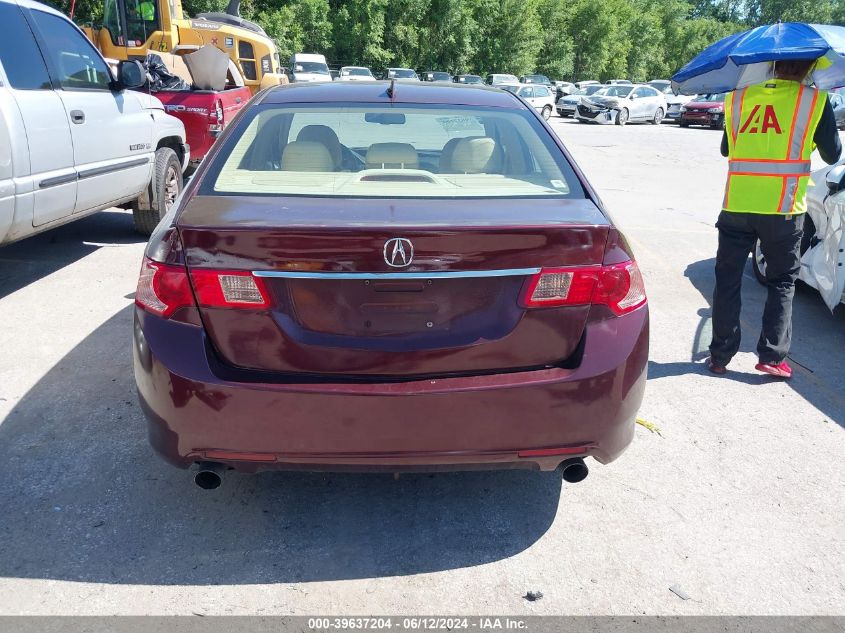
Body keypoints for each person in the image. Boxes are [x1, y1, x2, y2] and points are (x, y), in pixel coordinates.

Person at [708, 59, 841, 379]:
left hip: (737, 205)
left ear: (773, 64)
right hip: (783, 209)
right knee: (782, 282)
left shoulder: (738, 98)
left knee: (727, 280)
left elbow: (727, 148)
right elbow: (832, 155)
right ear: (810, 66)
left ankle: (719, 356)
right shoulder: (813, 101)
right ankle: (771, 356)